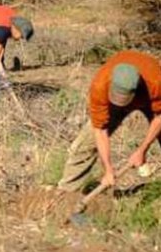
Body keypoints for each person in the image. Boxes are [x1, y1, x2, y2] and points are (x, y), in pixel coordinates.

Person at [58, 51, 161, 191]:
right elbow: (100, 130)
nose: (121, 105)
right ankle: (66, 193)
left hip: (150, 99)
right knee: (86, 143)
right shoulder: (100, 86)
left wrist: (142, 149)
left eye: (124, 101)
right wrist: (108, 169)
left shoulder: (155, 82)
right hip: (109, 100)